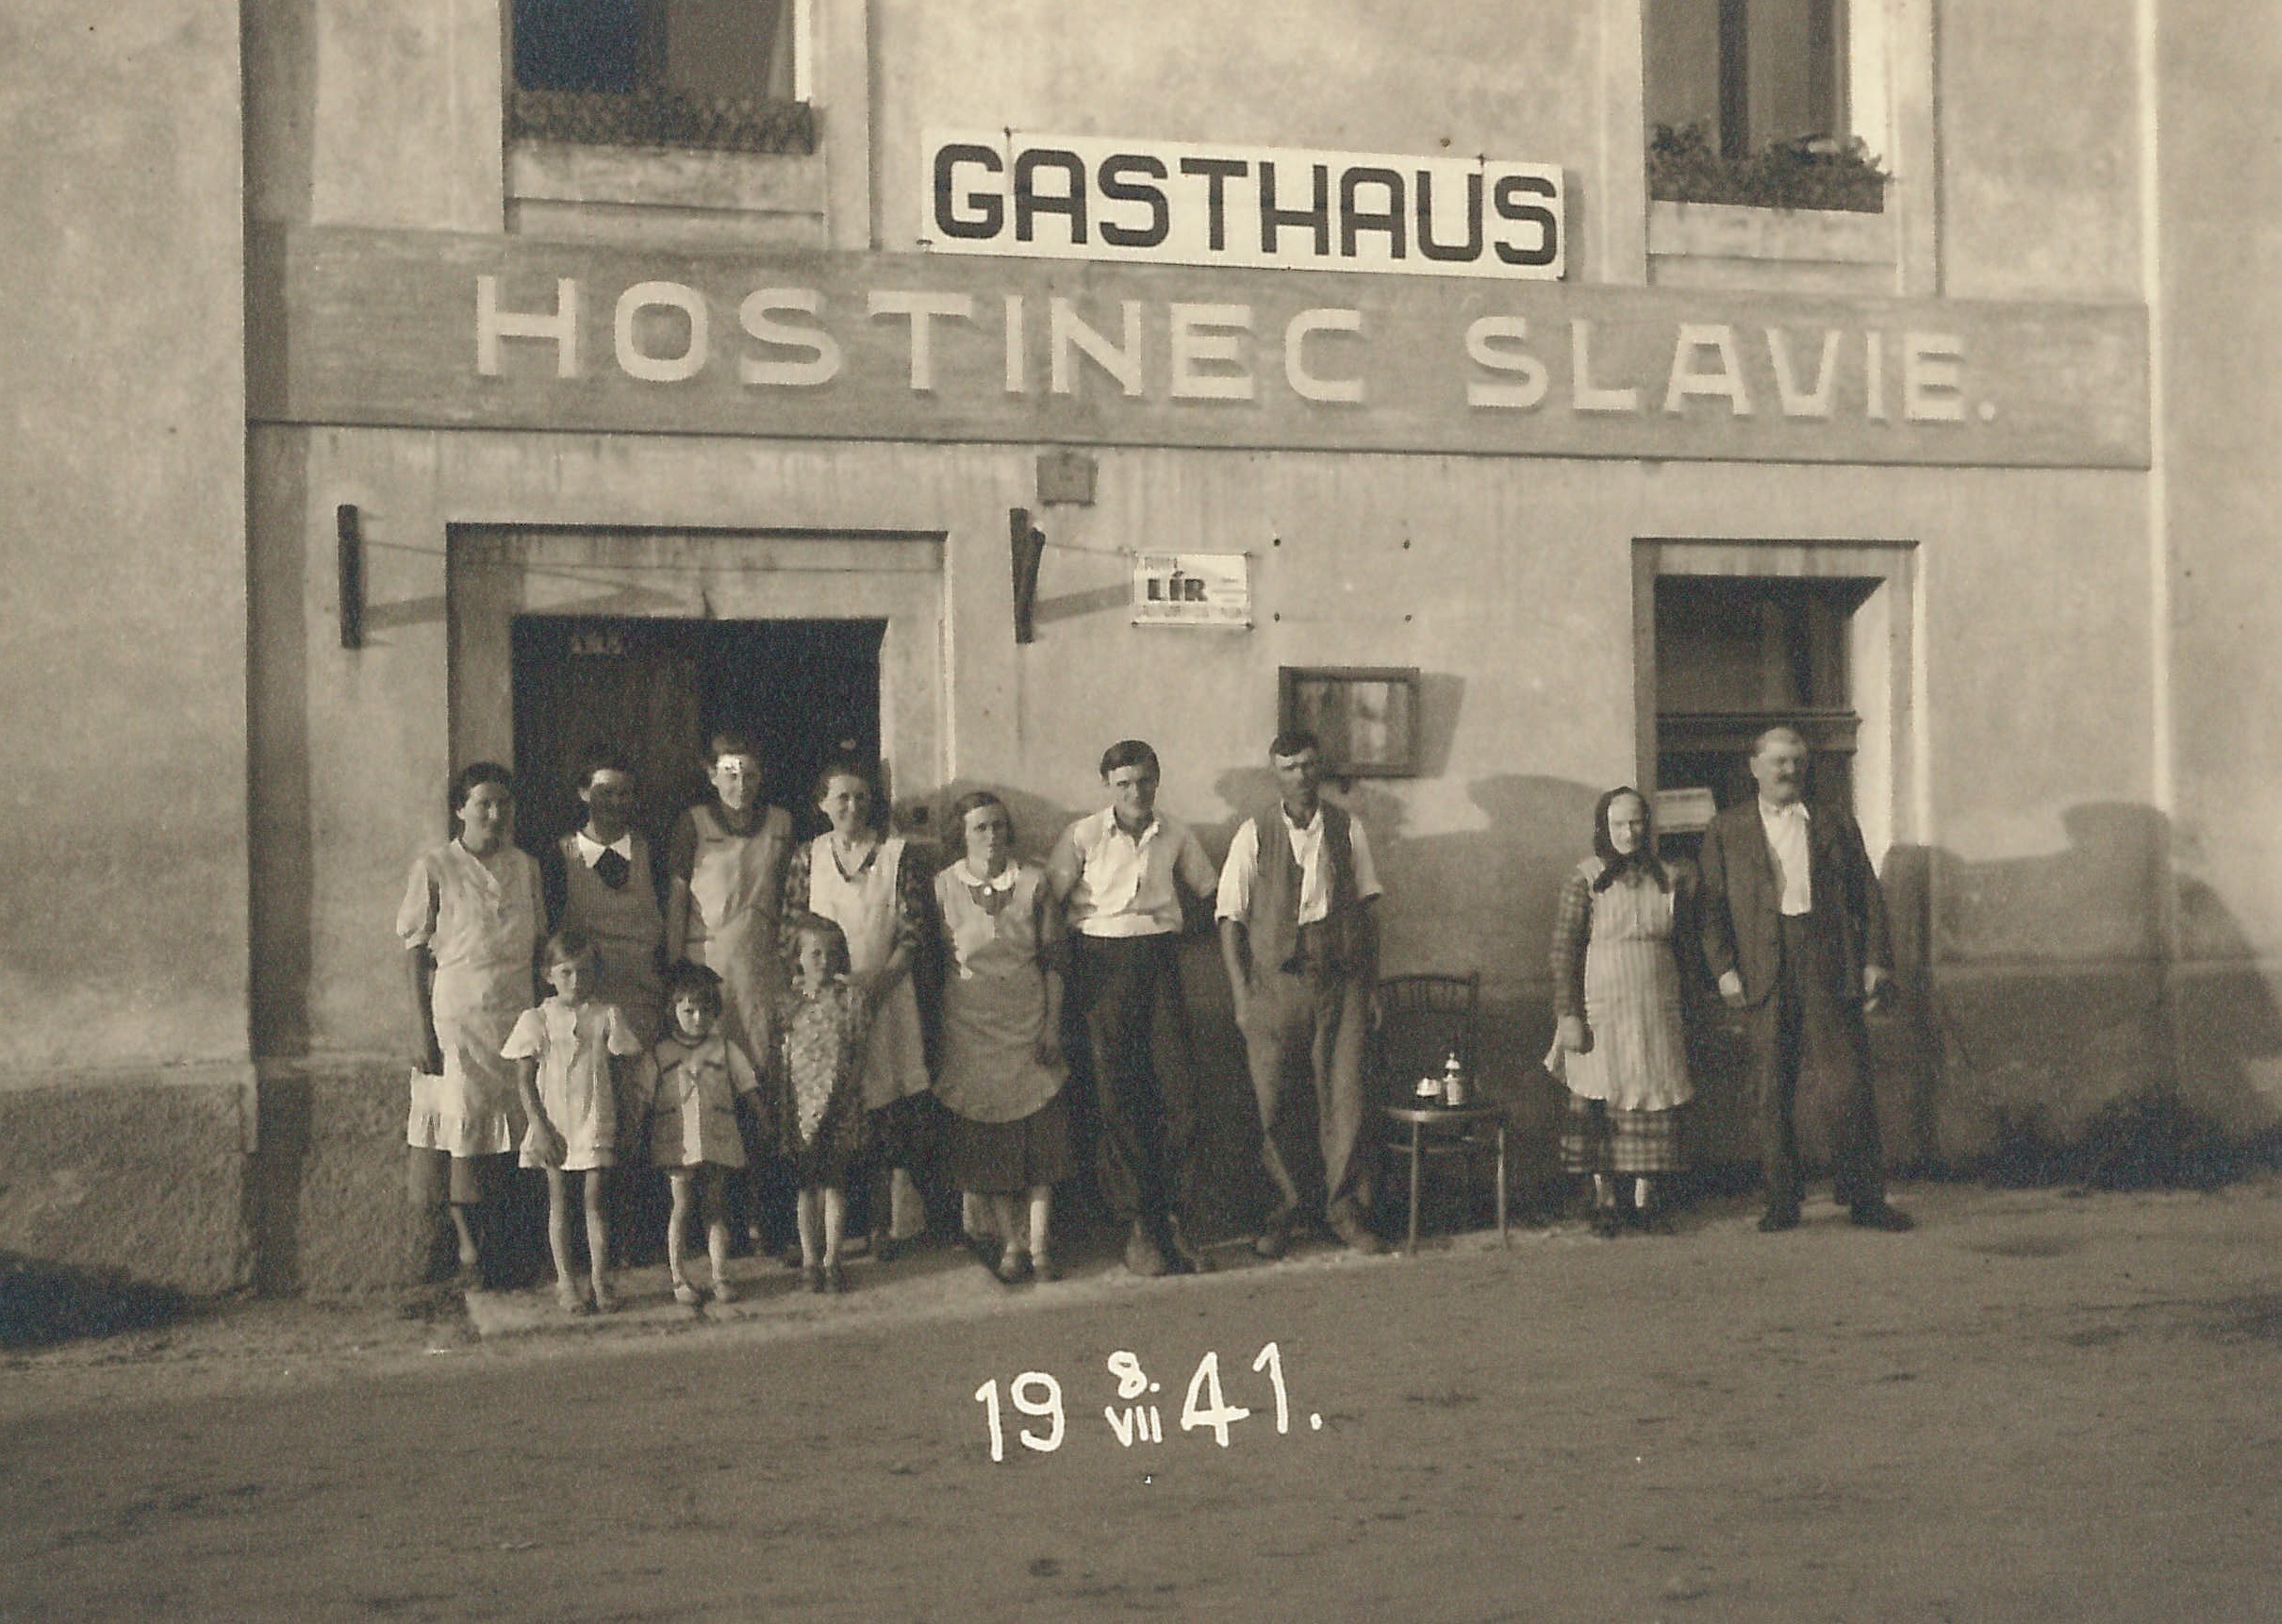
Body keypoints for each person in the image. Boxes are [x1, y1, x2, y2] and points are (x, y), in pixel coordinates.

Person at [1697, 726, 1913, 1234]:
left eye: (1797, 761)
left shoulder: (1833, 821)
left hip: (1826, 962)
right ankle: (1781, 1199)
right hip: (1761, 968)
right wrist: (1723, 969)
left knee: (1847, 1083)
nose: (1789, 771)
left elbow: (1867, 895)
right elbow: (1710, 908)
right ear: (1754, 767)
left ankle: (1864, 1198)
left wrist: (1875, 960)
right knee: (1770, 1087)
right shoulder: (1726, 829)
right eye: (1779, 762)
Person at [1047, 739, 1219, 1277]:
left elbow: (1211, 893)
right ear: (1107, 786)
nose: (1135, 792)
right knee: (1114, 1097)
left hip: (1159, 963)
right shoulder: (1083, 836)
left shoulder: (1176, 834)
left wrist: (1178, 934)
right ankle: (1136, 1226)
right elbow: (1048, 902)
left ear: (1157, 780)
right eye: (1123, 784)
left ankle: (1176, 1220)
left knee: (1179, 1092)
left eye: (1144, 781)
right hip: (1098, 964)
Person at [1216, 730, 1388, 1258]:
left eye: (1309, 765)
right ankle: (1283, 1212)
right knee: (1274, 1099)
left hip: (1341, 981)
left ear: (1320, 768)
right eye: (1289, 768)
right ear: (1275, 774)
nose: (1301, 776)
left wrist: (1371, 986)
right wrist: (1242, 997)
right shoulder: (1253, 833)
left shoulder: (1347, 827)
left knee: (1346, 1098)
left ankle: (1344, 1211)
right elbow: (1229, 918)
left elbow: (1369, 908)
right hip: (1275, 986)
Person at [397, 762, 545, 1283]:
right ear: (460, 809)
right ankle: (468, 1250)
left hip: (516, 1014)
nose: (495, 813)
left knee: (516, 1129)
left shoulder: (525, 867)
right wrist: (422, 1030)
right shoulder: (436, 867)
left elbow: (539, 945)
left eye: (503, 803)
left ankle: (506, 1248)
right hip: (458, 1018)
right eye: (484, 803)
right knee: (464, 1130)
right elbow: (415, 952)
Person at [785, 763, 933, 1264]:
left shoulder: (897, 855)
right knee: (828, 1110)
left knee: (884, 1113)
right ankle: (825, 1236)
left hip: (885, 998)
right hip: (826, 1010)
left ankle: (881, 1225)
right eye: (842, 798)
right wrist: (816, 994)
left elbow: (913, 933)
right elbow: (791, 930)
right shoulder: (807, 857)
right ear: (822, 804)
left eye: (863, 798)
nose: (853, 807)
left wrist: (876, 985)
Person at [935, 792, 1074, 1285]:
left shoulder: (1034, 883)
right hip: (969, 1026)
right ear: (962, 835)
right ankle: (1010, 1243)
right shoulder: (943, 887)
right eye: (980, 828)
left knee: (1039, 1140)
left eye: (998, 826)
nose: (991, 836)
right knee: (988, 1138)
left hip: (1026, 1020)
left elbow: (1055, 960)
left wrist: (1052, 1025)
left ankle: (1039, 1244)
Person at [1546, 787, 1695, 1236]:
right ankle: (1605, 1198)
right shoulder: (1585, 879)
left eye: (1636, 823)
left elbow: (1686, 947)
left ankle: (1645, 1200)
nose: (1628, 833)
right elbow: (1564, 951)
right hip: (1602, 1009)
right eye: (1618, 824)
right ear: (1603, 828)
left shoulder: (1668, 878)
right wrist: (1568, 1014)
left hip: (1655, 1008)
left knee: (1653, 1092)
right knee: (1602, 1095)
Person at [506, 927, 645, 1313]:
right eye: (566, 972)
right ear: (547, 975)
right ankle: (566, 1282)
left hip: (595, 1119)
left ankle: (600, 1280)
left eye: (584, 971)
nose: (576, 981)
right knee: (560, 1202)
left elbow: (623, 1074)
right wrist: (540, 1128)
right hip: (556, 1125)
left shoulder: (606, 1016)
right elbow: (524, 1081)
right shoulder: (536, 1019)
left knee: (594, 1201)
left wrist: (628, 1121)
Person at [664, 731, 795, 1063]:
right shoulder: (694, 823)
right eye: (731, 775)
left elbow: (790, 895)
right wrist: (676, 964)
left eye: (750, 776)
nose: (741, 785)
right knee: (710, 1055)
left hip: (760, 961)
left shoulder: (781, 824)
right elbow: (678, 898)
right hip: (707, 961)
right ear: (712, 776)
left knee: (760, 1055)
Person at [639, 961, 763, 1306]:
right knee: (681, 1205)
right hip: (676, 1140)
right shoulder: (661, 1053)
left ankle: (720, 1274)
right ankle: (679, 1277)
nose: (698, 1019)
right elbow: (642, 1097)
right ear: (673, 1011)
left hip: (716, 1135)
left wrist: (763, 1117)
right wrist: (635, 1131)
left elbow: (747, 1085)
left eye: (706, 1011)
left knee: (715, 1206)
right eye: (689, 1011)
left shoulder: (724, 1048)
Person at [769, 913, 874, 1293]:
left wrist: (849, 1094)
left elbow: (860, 1051)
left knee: (835, 1184)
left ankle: (832, 1258)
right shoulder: (787, 1003)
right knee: (805, 1186)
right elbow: (778, 1057)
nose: (824, 962)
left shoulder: (850, 1000)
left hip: (840, 1103)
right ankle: (809, 1258)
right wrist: (781, 1106)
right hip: (799, 1108)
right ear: (797, 957)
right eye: (815, 953)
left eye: (831, 953)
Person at [549, 745, 668, 1049]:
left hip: (642, 1006)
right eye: (605, 792)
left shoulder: (651, 854)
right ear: (584, 793)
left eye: (624, 794)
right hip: (583, 1014)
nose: (615, 802)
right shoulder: (560, 858)